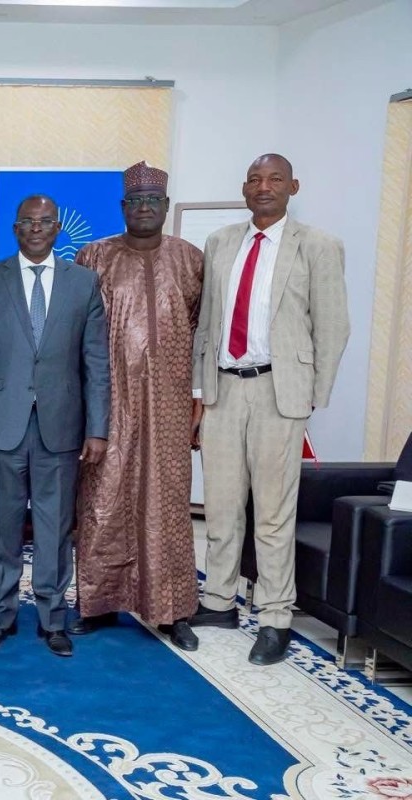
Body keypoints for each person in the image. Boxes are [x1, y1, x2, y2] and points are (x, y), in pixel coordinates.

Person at [190, 153, 349, 665]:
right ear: (244, 188)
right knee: (221, 506)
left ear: (292, 187)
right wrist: (198, 391)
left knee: (274, 514)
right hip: (222, 389)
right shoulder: (221, 242)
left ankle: (275, 616)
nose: (264, 187)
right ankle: (218, 600)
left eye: (275, 179)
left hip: (279, 391)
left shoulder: (318, 245)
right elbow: (206, 324)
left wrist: (310, 395)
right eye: (255, 179)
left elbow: (333, 325)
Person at [0, 194, 110, 658]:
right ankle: (0, 617)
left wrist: (97, 428)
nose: (37, 228)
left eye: (45, 222)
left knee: (54, 530)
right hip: (1, 425)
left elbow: (96, 363)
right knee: (0, 529)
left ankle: (52, 620)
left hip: (61, 428)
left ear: (58, 228)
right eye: (28, 221)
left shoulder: (84, 283)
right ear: (15, 229)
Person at [70, 162, 203, 651]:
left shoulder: (191, 259)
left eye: (153, 201)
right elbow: (76, 331)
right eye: (135, 201)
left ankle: (173, 610)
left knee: (168, 503)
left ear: (166, 207)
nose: (144, 208)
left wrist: (198, 400)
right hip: (109, 398)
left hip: (170, 400)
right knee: (103, 498)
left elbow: (201, 332)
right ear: (123, 207)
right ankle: (98, 603)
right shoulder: (94, 256)